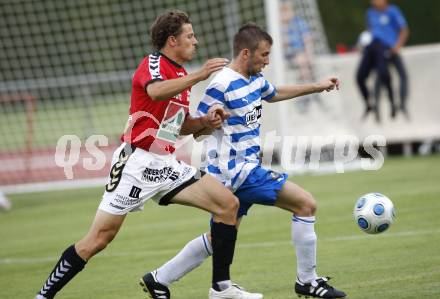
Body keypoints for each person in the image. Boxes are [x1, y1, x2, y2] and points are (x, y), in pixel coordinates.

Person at [34, 10, 262, 299]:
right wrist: (201, 75)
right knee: (98, 240)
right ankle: (43, 296)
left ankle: (220, 289)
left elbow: (175, 127)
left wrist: (206, 122)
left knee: (228, 205)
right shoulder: (154, 63)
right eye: (190, 36)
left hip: (166, 164)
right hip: (137, 162)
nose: (196, 41)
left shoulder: (180, 74)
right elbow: (154, 92)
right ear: (172, 41)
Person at [141, 23, 346, 299]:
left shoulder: (255, 80)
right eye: (264, 55)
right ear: (246, 53)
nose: (268, 61)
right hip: (235, 171)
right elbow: (195, 126)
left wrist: (318, 86)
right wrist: (210, 120)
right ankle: (307, 281)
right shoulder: (222, 83)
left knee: (218, 239)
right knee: (306, 204)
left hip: (240, 172)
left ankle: (158, 278)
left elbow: (275, 93)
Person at [356, 0, 409, 122]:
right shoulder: (370, 13)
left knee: (400, 76)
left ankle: (400, 104)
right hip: (375, 50)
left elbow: (404, 29)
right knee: (371, 78)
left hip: (390, 49)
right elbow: (370, 32)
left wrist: (397, 46)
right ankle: (373, 107)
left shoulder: (393, 11)